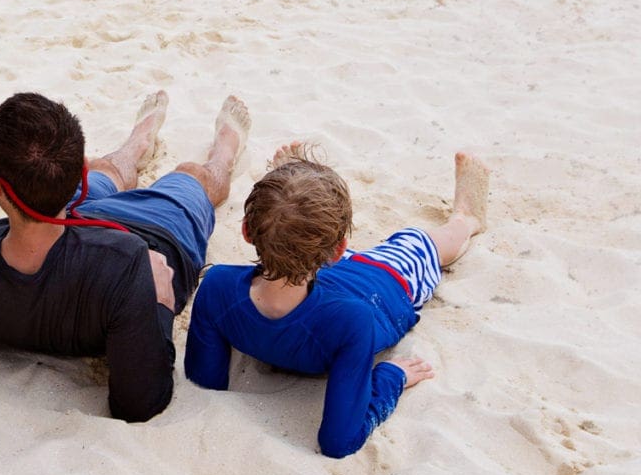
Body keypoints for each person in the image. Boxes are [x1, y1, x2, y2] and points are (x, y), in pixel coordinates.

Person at [0, 90, 250, 422]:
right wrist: (158, 304)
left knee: (108, 172)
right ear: (77, 169)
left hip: (77, 215)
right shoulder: (129, 266)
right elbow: (142, 402)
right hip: (150, 233)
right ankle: (223, 153)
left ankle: (136, 145)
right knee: (191, 176)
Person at [184, 143, 490, 457]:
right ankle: (465, 220)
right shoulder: (352, 322)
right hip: (387, 282)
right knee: (423, 245)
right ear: (340, 249)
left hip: (330, 272)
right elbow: (339, 441)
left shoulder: (216, 283)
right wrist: (392, 376)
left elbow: (204, 377)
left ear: (247, 231)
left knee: (295, 238)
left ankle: (284, 212)